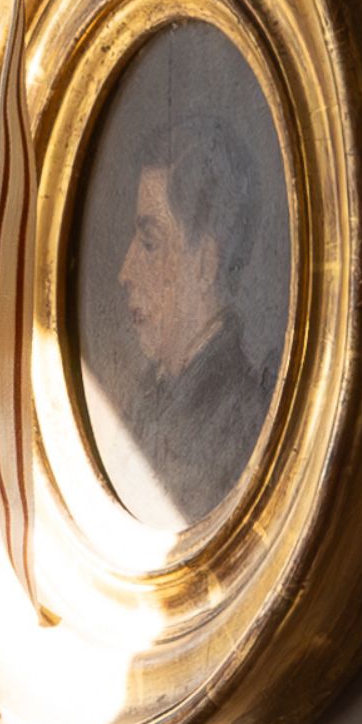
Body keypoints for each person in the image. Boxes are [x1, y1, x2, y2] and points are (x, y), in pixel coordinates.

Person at [101, 91, 278, 529]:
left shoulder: (244, 422)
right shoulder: (145, 402)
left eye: (149, 243)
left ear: (205, 264)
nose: (125, 272)